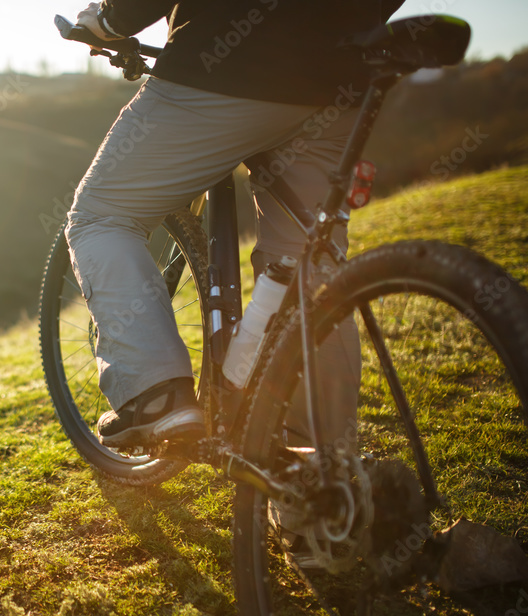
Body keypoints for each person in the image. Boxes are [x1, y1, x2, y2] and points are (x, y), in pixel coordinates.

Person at [67, 0, 404, 450]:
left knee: (102, 214)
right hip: (341, 79)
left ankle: (155, 395)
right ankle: (315, 475)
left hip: (227, 65)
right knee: (309, 269)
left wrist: (111, 20)